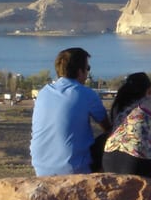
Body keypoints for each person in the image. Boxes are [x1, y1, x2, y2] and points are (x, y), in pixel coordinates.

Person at [30, 47, 112, 176]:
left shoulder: (43, 92)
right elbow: (107, 127)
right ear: (80, 71)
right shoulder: (86, 94)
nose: (87, 73)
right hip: (75, 169)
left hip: (40, 169)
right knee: (114, 137)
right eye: (88, 68)